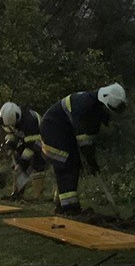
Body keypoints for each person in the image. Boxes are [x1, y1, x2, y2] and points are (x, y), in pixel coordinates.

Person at [40, 84, 127, 214]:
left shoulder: (94, 105)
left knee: (73, 164)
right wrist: (91, 161)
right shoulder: (85, 106)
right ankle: (69, 208)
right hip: (52, 131)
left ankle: (63, 205)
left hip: (64, 133)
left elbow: (88, 138)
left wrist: (91, 161)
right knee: (67, 165)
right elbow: (84, 141)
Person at [0, 101, 47, 199]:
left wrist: (23, 161)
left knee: (37, 164)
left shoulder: (30, 121)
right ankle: (17, 193)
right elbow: (10, 134)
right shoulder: (6, 119)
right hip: (25, 139)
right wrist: (10, 146)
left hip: (40, 138)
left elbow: (31, 146)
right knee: (17, 165)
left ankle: (38, 196)